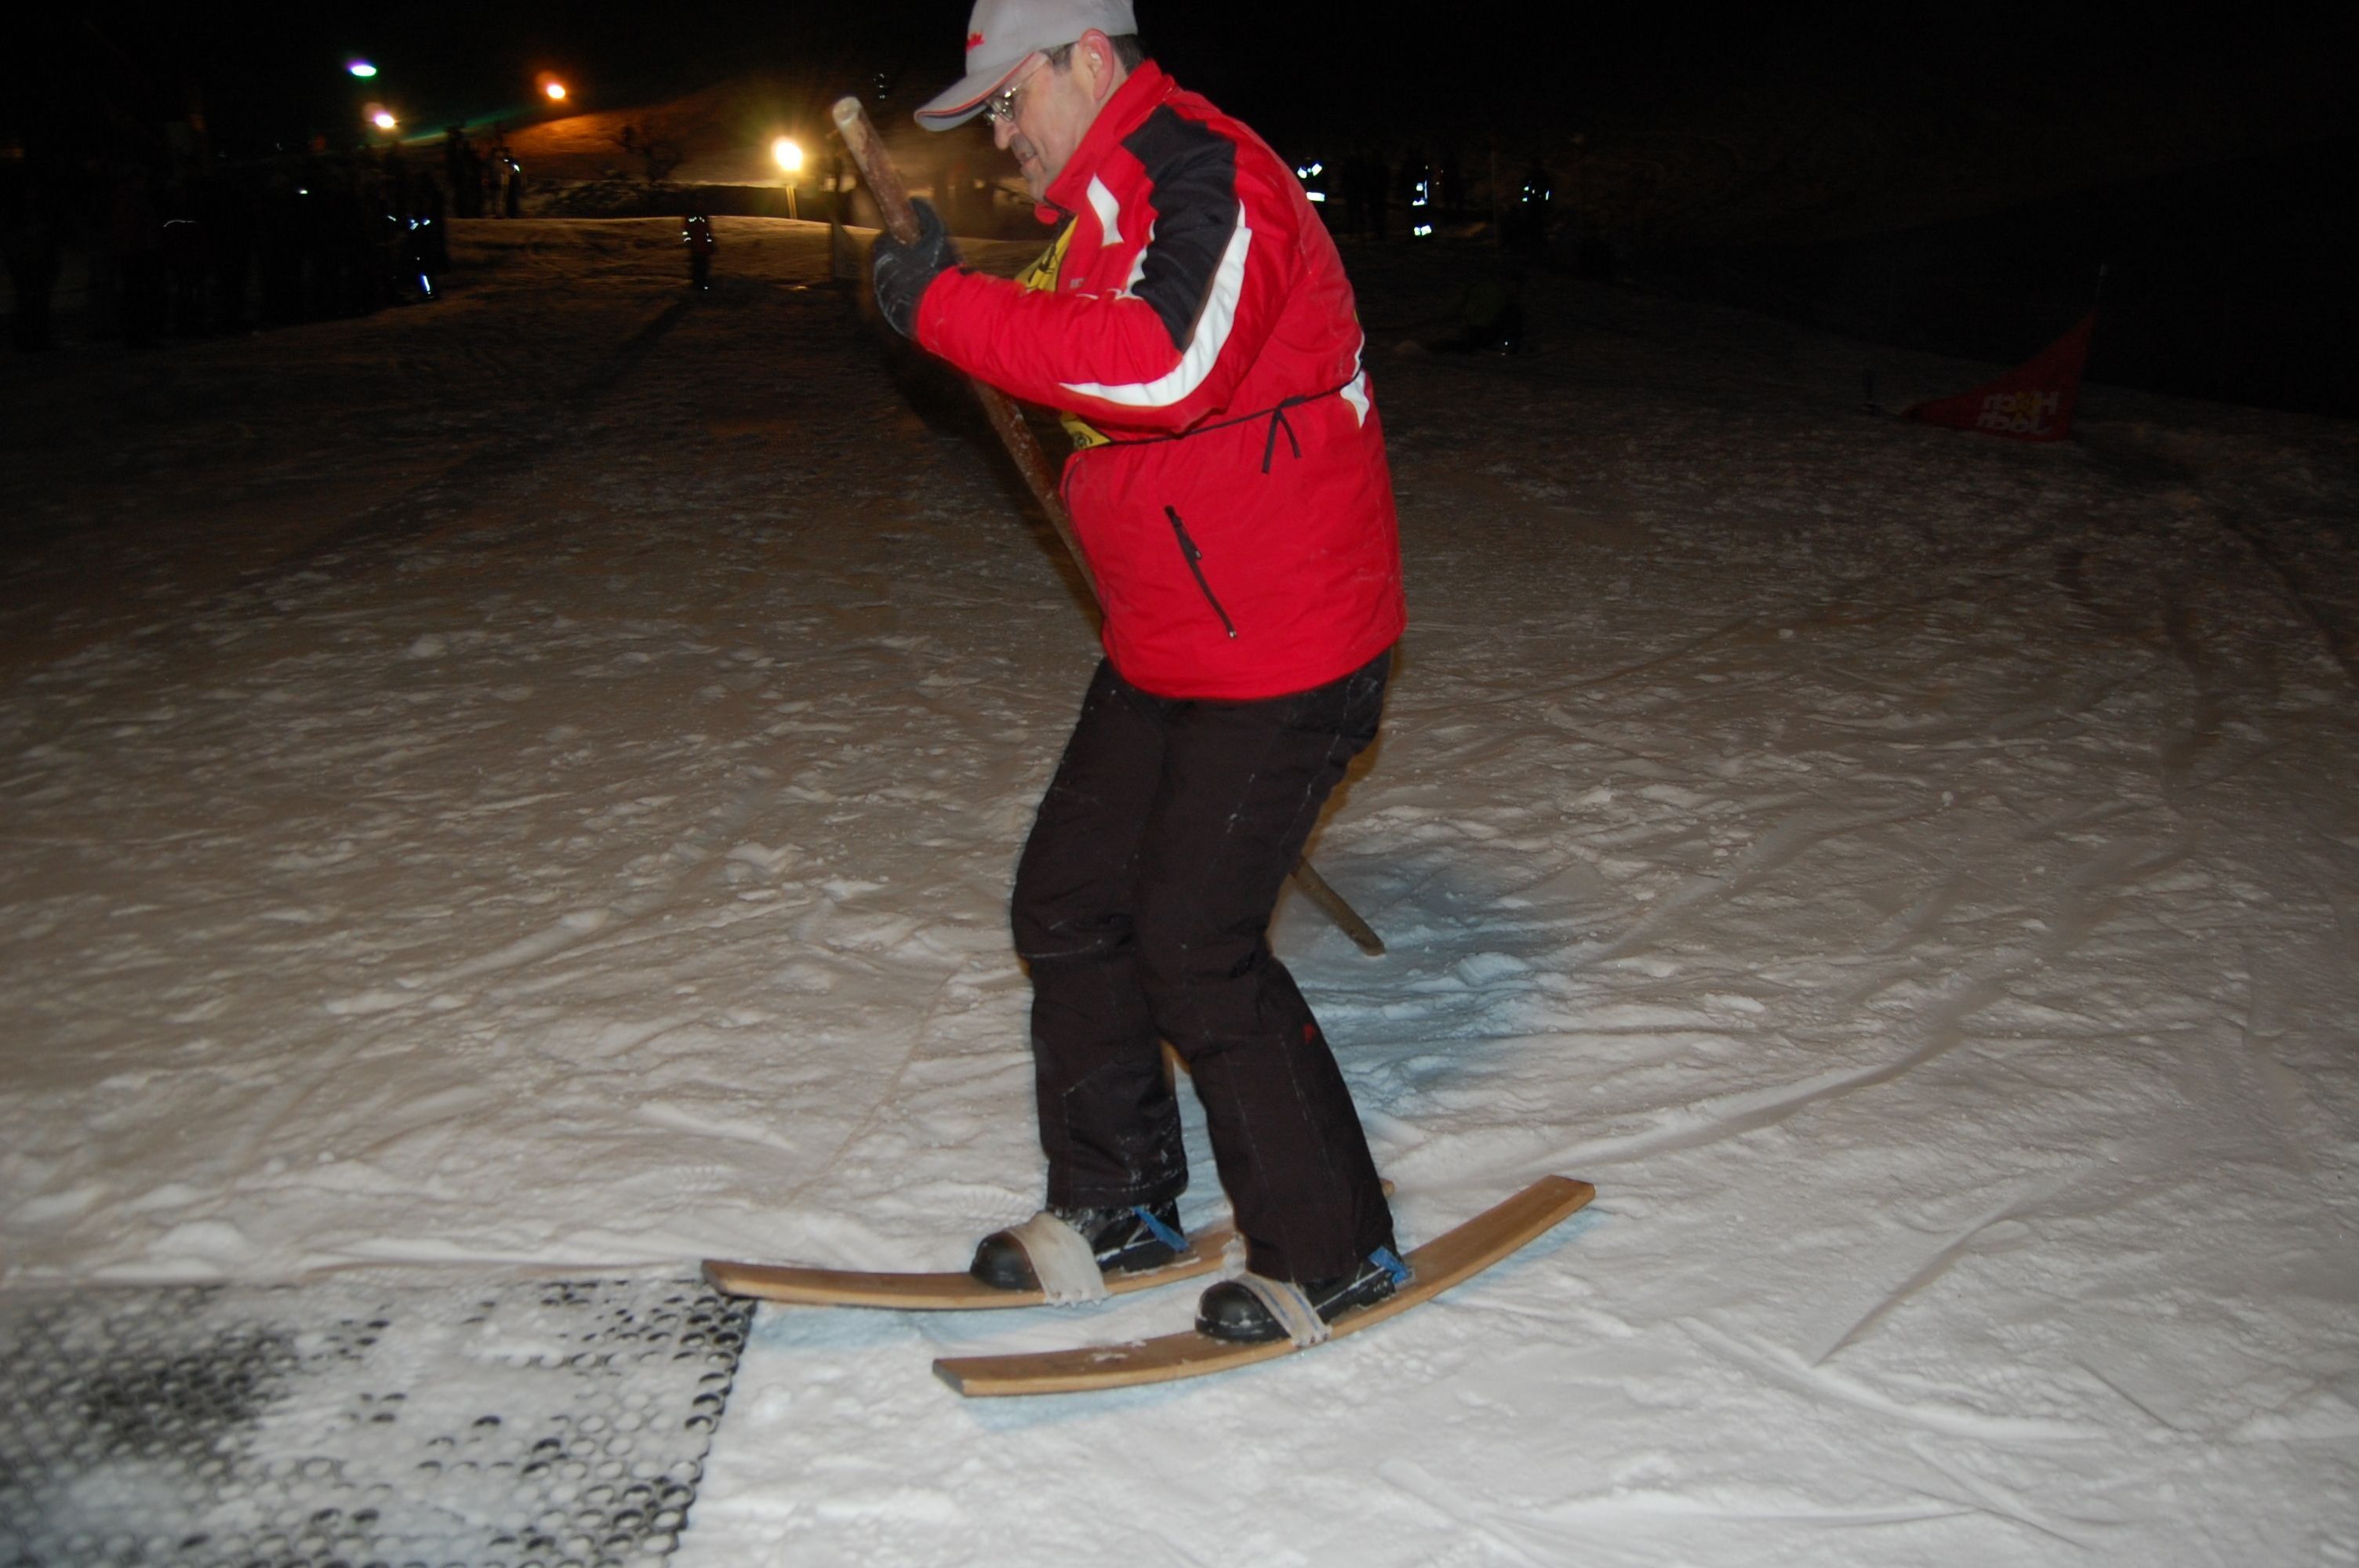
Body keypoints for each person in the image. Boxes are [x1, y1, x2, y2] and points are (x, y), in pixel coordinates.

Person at [871, 0, 1408, 1345]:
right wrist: (955, 294)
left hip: (1287, 638)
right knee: (1069, 903)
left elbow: (1164, 364)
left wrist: (948, 307)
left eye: (1012, 99)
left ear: (1091, 60)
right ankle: (1118, 1201)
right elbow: (1066, 353)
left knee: (1193, 943)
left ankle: (1332, 1249)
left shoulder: (1215, 177)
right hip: (1169, 629)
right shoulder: (1098, 217)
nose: (1003, 135)